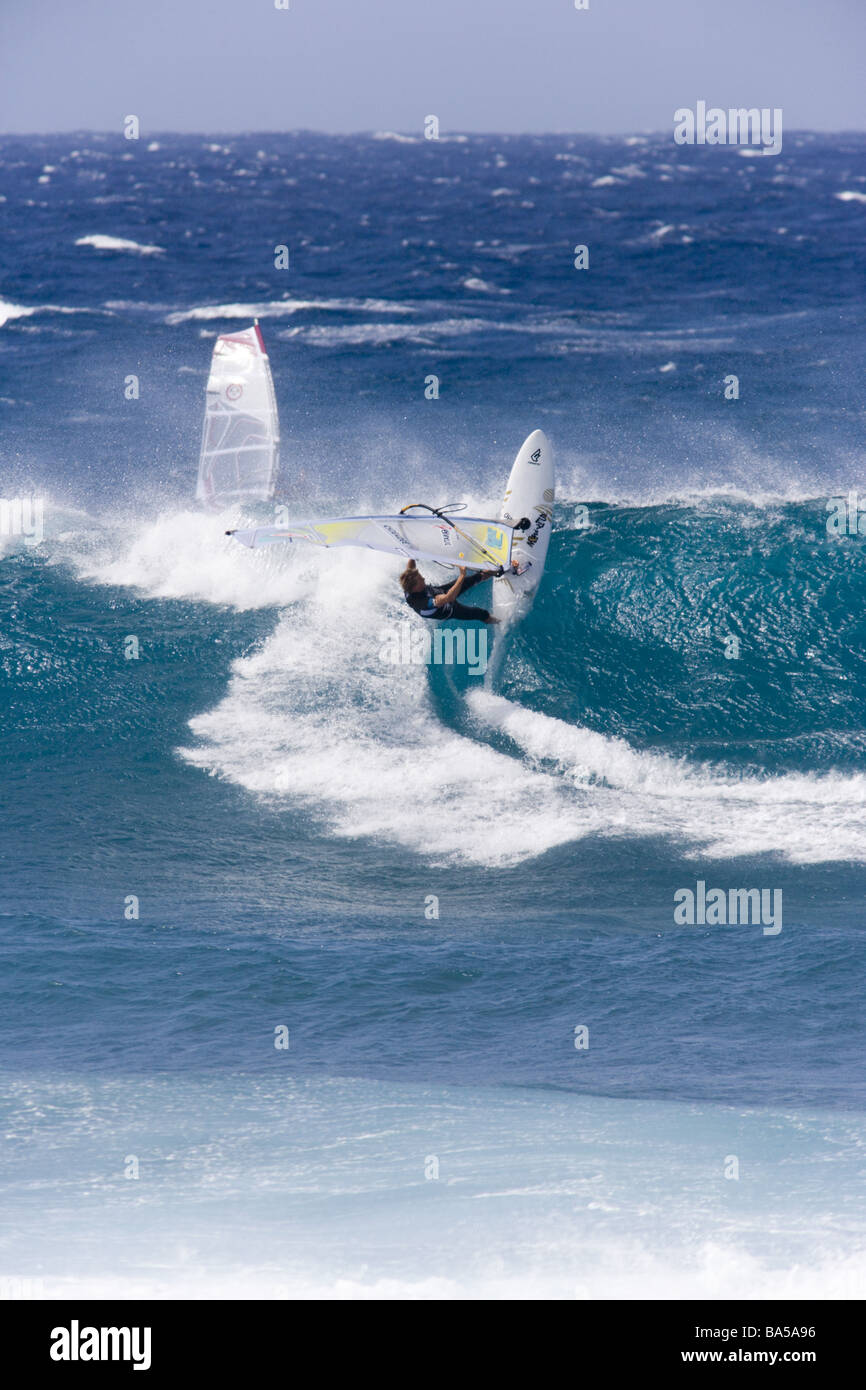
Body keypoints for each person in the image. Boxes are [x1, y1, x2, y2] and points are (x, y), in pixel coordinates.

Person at [399, 558, 519, 623]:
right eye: (421, 580)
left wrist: (413, 551)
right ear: (415, 587)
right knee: (479, 613)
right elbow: (447, 598)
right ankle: (501, 622)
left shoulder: (410, 583)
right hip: (448, 609)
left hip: (437, 591)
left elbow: (411, 566)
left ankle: (503, 568)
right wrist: (461, 575)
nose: (423, 578)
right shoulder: (423, 603)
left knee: (474, 578)